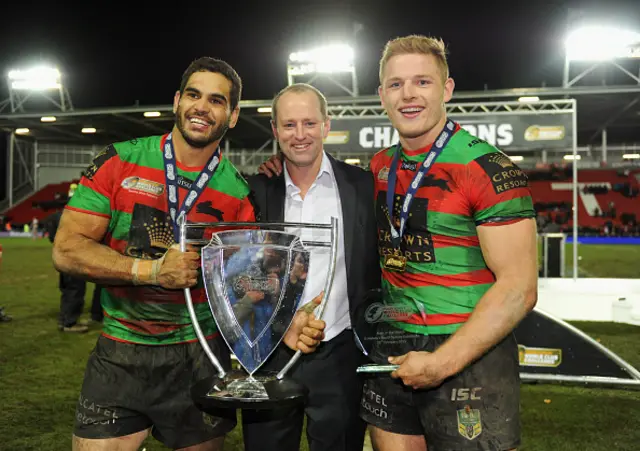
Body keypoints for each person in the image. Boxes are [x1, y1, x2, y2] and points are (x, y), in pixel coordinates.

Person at [52, 57, 325, 451]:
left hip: (199, 355)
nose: (202, 107)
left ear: (231, 117)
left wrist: (284, 323)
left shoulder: (239, 194)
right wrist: (149, 272)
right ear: (177, 101)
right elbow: (66, 250)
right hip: (121, 350)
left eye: (216, 101)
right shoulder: (119, 160)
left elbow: (244, 286)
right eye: (193, 95)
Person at [356, 35, 538, 451]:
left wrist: (441, 363)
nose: (408, 94)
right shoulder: (381, 165)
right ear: (382, 94)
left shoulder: (486, 168)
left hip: (468, 351)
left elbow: (519, 288)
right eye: (396, 84)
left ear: (447, 89)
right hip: (392, 343)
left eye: (422, 81)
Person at [243, 83, 380, 451]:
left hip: (340, 355)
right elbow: (239, 273)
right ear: (275, 131)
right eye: (289, 125)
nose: (299, 134)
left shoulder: (364, 188)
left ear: (326, 126)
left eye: (309, 123)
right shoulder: (256, 190)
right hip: (269, 351)